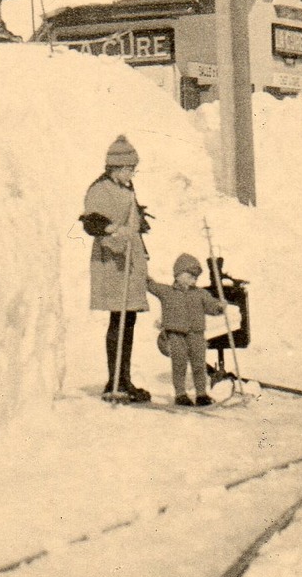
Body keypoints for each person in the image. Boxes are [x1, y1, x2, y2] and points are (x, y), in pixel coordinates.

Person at [82, 135, 153, 402]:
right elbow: (92, 222)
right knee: (119, 318)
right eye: (130, 168)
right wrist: (114, 230)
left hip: (129, 259)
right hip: (112, 261)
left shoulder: (126, 188)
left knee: (129, 318)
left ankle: (125, 379)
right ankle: (114, 381)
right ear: (116, 168)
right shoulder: (100, 189)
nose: (133, 173)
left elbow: (132, 217)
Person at [146, 254, 229, 407]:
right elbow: (151, 285)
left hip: (196, 334)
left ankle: (201, 394)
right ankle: (180, 394)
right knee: (179, 364)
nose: (194, 280)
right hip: (175, 335)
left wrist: (219, 307)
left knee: (199, 365)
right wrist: (141, 271)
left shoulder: (200, 294)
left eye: (195, 277)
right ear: (178, 275)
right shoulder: (167, 292)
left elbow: (211, 306)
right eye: (190, 276)